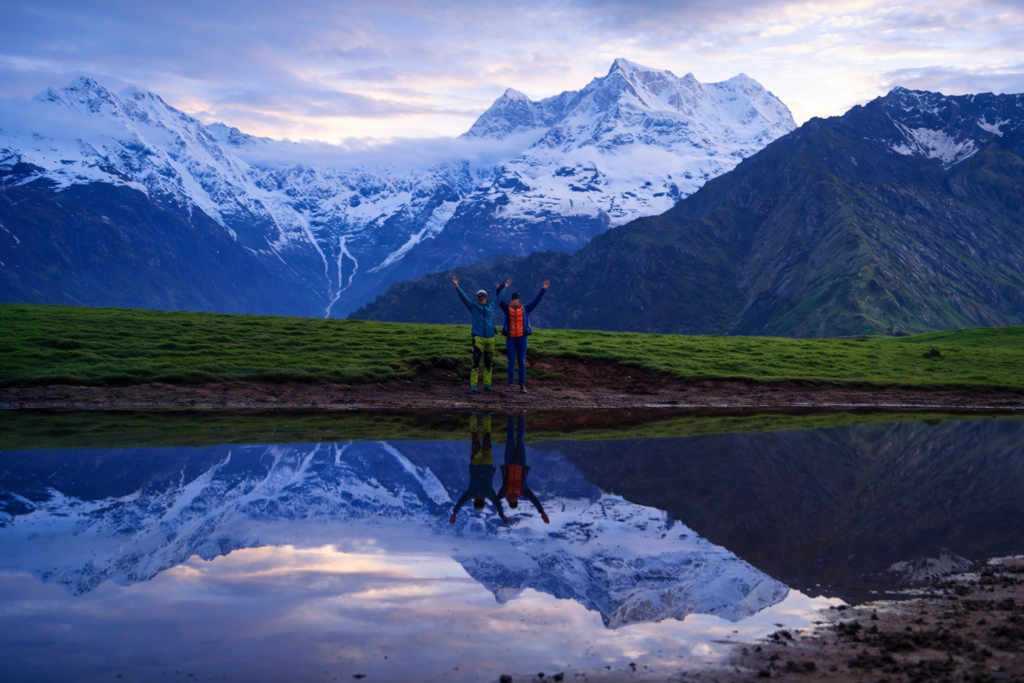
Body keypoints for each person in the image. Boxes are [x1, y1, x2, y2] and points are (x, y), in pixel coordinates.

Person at [449, 411, 508, 524]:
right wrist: (454, 513)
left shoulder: (489, 493)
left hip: (487, 462)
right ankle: (473, 415)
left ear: (484, 501)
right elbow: (461, 501)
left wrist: (502, 515)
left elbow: (497, 504)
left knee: (487, 437)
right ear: (475, 500)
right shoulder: (471, 493)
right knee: (474, 437)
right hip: (476, 462)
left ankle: (486, 416)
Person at [453, 275, 506, 392]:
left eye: (483, 296)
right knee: (476, 362)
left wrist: (505, 287)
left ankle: (487, 384)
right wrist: (457, 286)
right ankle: (474, 385)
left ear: (486, 297)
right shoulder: (473, 307)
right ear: (477, 298)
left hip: (490, 338)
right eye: (479, 296)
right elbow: (464, 298)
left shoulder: (492, 306)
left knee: (488, 363)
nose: (481, 297)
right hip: (478, 338)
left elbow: (499, 298)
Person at [497, 278, 550, 392]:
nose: (515, 301)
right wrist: (503, 286)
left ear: (519, 300)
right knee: (511, 362)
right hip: (510, 338)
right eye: (514, 299)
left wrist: (543, 289)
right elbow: (498, 298)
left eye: (517, 299)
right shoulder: (507, 308)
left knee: (521, 362)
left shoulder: (525, 308)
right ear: (511, 301)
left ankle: (522, 385)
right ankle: (511, 384)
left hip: (522, 338)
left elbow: (536, 300)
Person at [497, 410, 549, 523]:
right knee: (520, 438)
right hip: (521, 463)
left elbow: (495, 500)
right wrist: (542, 512)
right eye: (512, 500)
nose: (510, 498)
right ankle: (521, 416)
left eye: (509, 500)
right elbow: (534, 500)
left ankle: (510, 415)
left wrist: (501, 514)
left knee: (510, 439)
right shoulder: (523, 491)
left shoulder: (504, 492)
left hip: (509, 461)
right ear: (515, 500)